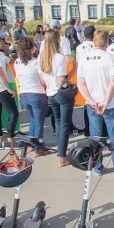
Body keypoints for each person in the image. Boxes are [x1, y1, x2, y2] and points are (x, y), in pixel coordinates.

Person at [77, 30, 114, 176]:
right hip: (110, 104)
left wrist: (90, 101)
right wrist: (106, 102)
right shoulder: (111, 58)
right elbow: (113, 83)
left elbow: (80, 84)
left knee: (95, 137)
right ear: (107, 41)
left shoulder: (83, 59)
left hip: (93, 104)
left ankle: (98, 167)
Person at [38, 29, 71, 167]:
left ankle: (61, 152)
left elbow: (41, 78)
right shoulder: (58, 57)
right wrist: (68, 80)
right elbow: (61, 80)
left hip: (50, 93)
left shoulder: (41, 57)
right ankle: (62, 156)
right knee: (64, 125)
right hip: (61, 93)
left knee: (58, 123)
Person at [15, 37, 47, 154]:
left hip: (24, 94)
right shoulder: (36, 62)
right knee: (38, 121)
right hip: (37, 93)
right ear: (32, 49)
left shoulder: (17, 62)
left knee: (33, 120)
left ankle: (31, 143)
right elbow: (42, 79)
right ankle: (37, 147)